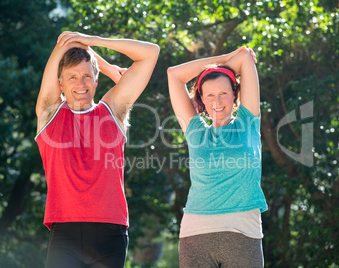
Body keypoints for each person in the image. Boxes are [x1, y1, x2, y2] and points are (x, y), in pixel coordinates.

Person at [35, 31, 159, 267]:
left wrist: (94, 42)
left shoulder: (112, 111)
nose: (80, 83)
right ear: (60, 83)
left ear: (96, 79)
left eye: (86, 76)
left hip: (110, 234)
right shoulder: (49, 113)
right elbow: (63, 41)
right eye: (72, 77)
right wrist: (79, 45)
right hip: (65, 235)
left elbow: (150, 52)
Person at [167, 46, 267, 267]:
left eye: (223, 93)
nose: (217, 101)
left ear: (235, 94)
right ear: (201, 98)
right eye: (210, 94)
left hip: (244, 232)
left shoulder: (247, 123)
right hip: (196, 235)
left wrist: (227, 65)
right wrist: (222, 60)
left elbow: (243, 58)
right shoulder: (195, 131)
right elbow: (173, 75)